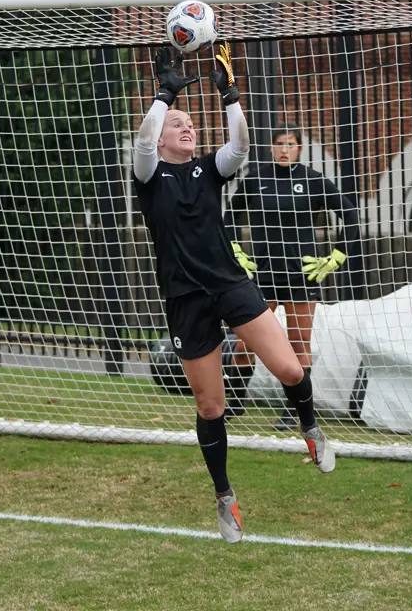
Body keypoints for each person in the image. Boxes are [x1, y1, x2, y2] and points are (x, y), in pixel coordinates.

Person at [133, 42, 335, 545]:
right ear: (161, 139)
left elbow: (240, 146)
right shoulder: (150, 174)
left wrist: (230, 94)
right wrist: (164, 94)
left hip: (230, 284)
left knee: (290, 367)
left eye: (190, 124)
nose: (187, 128)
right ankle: (225, 496)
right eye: (177, 124)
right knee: (210, 407)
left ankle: (309, 429)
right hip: (185, 301)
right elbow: (141, 142)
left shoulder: (207, 170)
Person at [224, 127, 359, 430]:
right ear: (272, 149)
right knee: (246, 344)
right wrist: (236, 251)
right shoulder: (257, 180)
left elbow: (350, 215)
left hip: (301, 275)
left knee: (299, 343)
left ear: (299, 150)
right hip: (263, 275)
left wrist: (335, 257)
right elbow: (229, 216)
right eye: (279, 145)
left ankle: (294, 412)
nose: (284, 150)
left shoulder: (313, 181)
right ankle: (234, 404)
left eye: (291, 145)